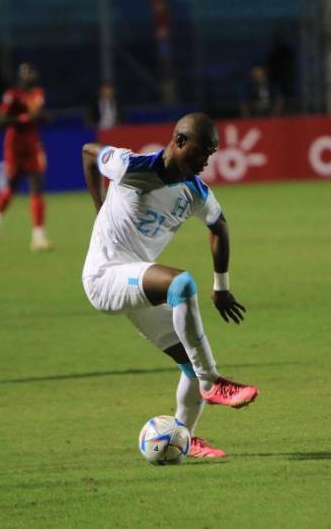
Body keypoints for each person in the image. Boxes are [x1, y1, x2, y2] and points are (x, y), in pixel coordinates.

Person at [81, 113, 259, 458]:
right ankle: (212, 382)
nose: (205, 162)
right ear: (178, 142)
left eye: (211, 154)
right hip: (105, 276)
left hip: (138, 281)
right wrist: (98, 207)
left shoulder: (194, 189)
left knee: (188, 361)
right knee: (181, 283)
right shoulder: (131, 166)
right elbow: (90, 153)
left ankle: (185, 436)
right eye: (200, 152)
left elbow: (219, 226)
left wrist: (221, 286)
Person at [0, 62, 52, 251]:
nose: (27, 76)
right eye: (24, 73)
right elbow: (0, 119)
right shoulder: (12, 95)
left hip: (32, 145)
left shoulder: (38, 93)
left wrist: (43, 117)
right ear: (20, 75)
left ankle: (38, 237)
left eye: (30, 72)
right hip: (14, 146)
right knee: (11, 187)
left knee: (37, 187)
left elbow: (38, 115)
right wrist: (22, 118)